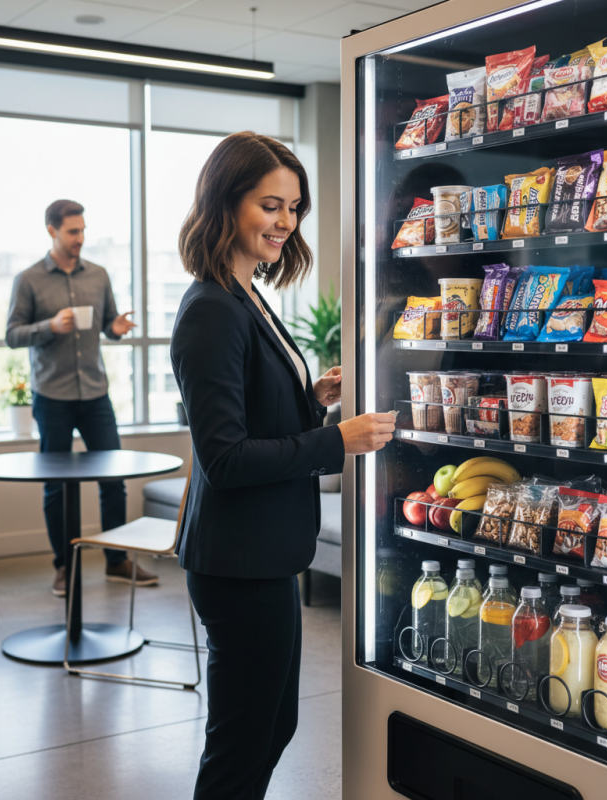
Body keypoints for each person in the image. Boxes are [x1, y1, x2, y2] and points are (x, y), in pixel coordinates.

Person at [171, 132, 395, 800]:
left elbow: (249, 410)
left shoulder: (246, 296)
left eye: (294, 208)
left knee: (272, 728)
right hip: (239, 566)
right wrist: (338, 441)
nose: (286, 223)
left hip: (262, 557)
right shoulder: (212, 310)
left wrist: (310, 398)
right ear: (225, 201)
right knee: (241, 747)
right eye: (270, 206)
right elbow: (224, 458)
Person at [6, 199, 159, 596]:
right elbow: (12, 335)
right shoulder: (28, 280)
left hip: (95, 393)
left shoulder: (99, 275)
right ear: (52, 231)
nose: (80, 238)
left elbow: (108, 323)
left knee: (114, 480)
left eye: (83, 230)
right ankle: (64, 566)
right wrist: (50, 326)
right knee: (55, 486)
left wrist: (116, 327)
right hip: (51, 396)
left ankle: (117, 561)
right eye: (73, 231)